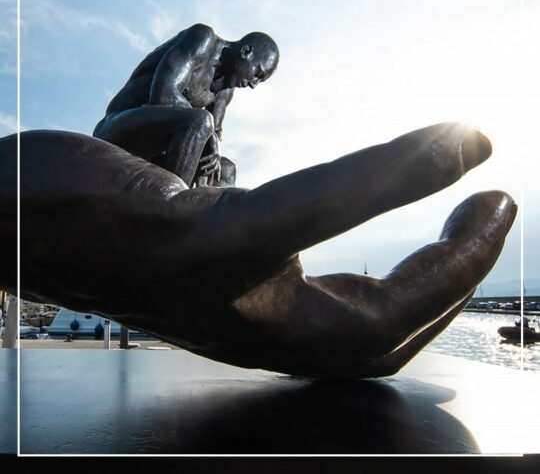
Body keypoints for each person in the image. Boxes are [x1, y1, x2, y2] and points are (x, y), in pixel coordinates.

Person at [0, 122, 517, 378]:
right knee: (377, 333)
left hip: (59, 201)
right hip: (67, 206)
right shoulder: (200, 246)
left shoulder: (194, 242)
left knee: (377, 331)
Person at [93, 23, 279, 187]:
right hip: (119, 125)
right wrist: (210, 133)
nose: (254, 84)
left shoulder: (225, 90)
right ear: (246, 52)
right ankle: (172, 205)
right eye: (258, 74)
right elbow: (163, 95)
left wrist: (213, 144)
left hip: (159, 148)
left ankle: (204, 223)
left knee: (226, 169)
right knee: (201, 120)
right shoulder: (203, 39)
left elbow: (213, 137)